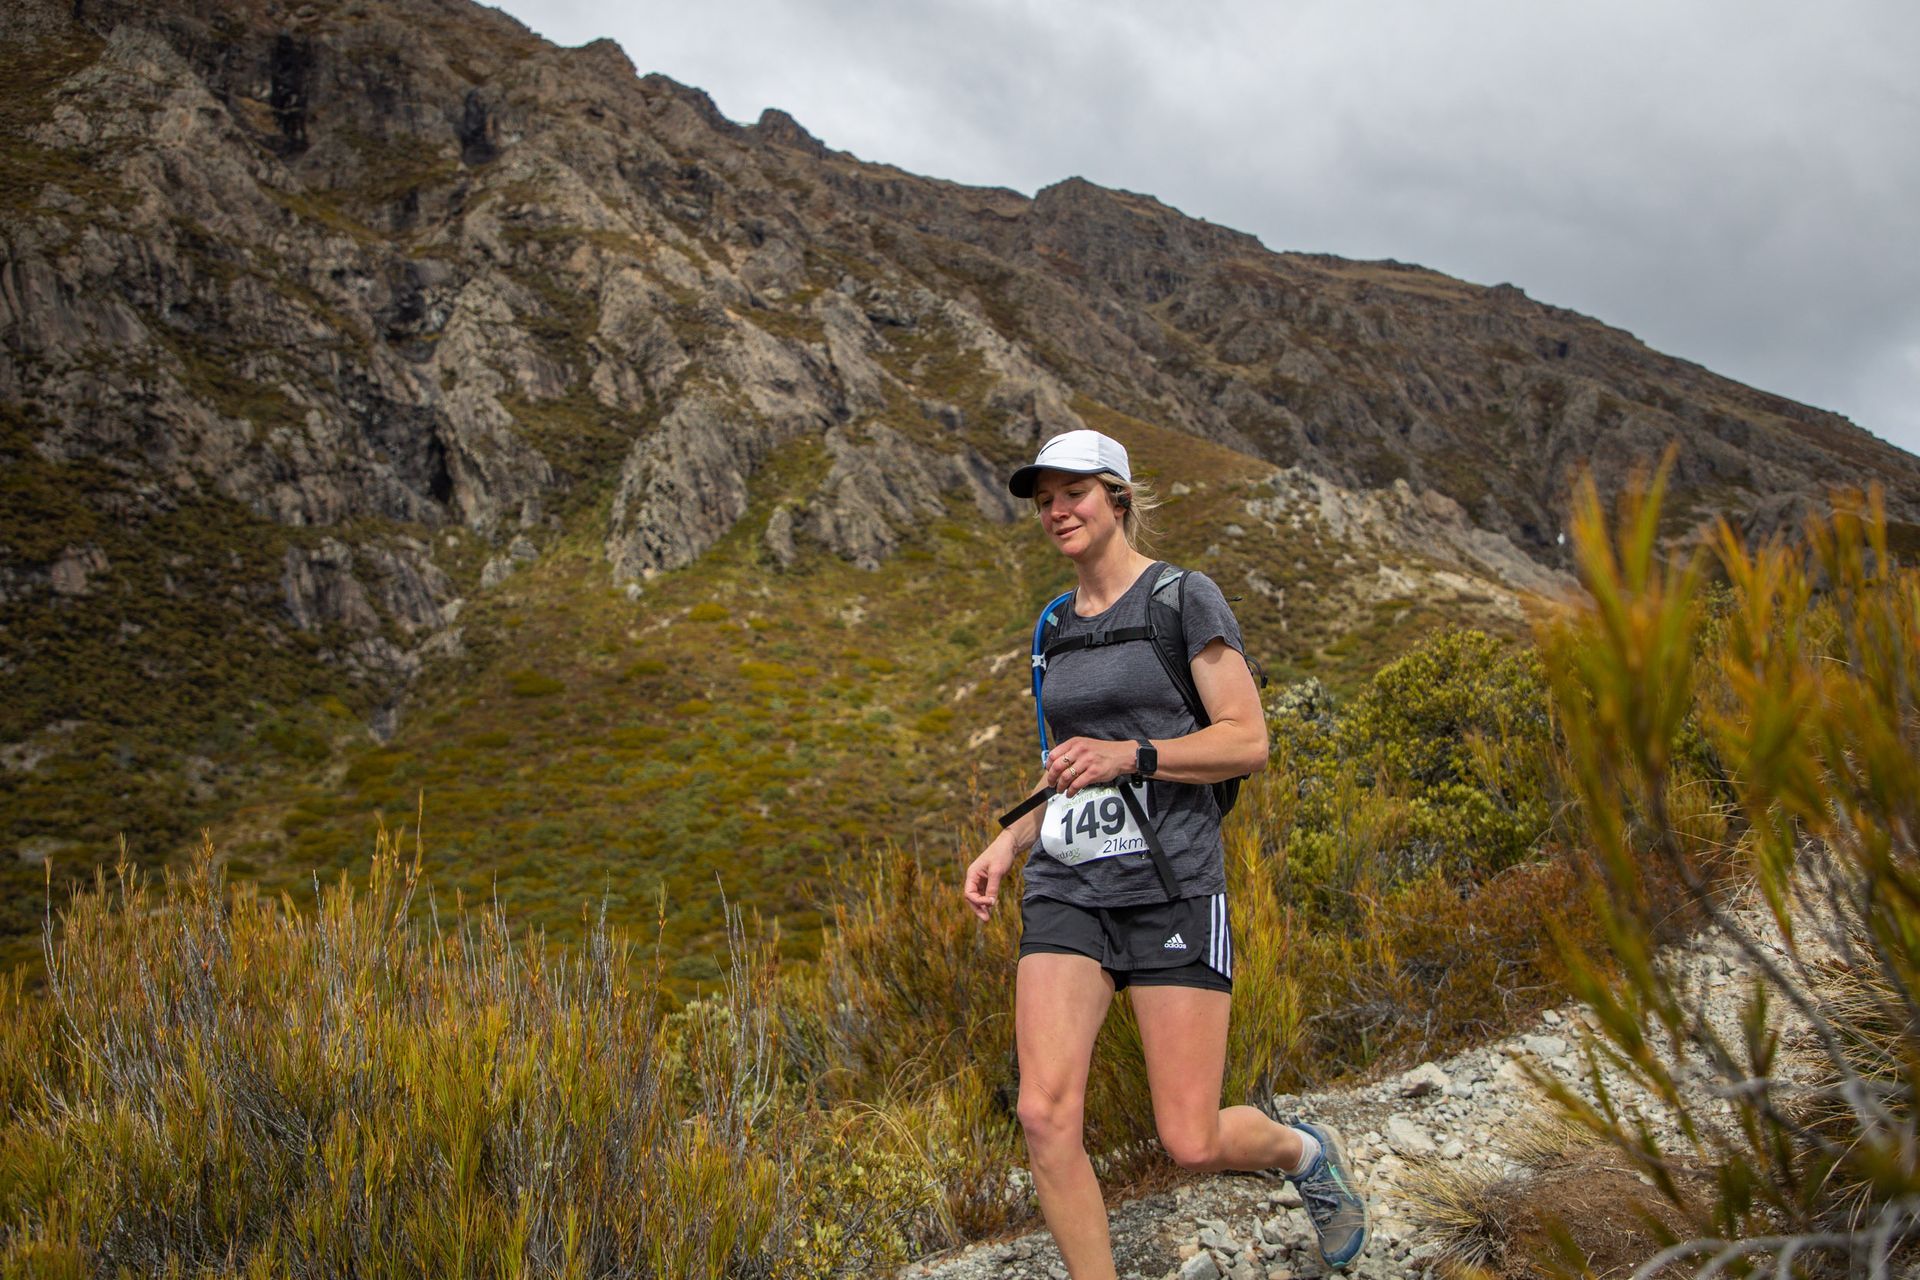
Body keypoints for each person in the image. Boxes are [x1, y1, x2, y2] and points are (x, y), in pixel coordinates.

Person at [964, 429, 1367, 1278]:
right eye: (1044, 501)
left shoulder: (1184, 600)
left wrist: (1135, 755)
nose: (1057, 512)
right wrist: (1010, 838)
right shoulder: (1051, 630)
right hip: (1070, 888)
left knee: (1188, 1139)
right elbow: (1068, 771)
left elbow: (1248, 740)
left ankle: (1302, 1154)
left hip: (1173, 887)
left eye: (1073, 493)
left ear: (1117, 495)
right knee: (1043, 1114)